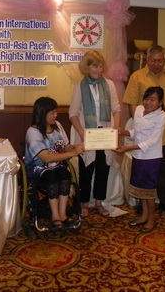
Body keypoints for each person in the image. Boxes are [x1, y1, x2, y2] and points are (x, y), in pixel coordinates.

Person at [123, 45, 165, 215]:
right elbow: (131, 103)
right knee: (144, 171)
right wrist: (142, 123)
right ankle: (142, 205)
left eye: (160, 60)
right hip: (145, 135)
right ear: (147, 59)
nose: (157, 64)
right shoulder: (137, 77)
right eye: (153, 60)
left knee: (164, 170)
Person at [69, 51, 121, 217]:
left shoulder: (110, 85)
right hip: (87, 133)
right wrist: (82, 134)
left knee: (103, 169)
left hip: (105, 134)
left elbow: (116, 109)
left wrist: (117, 128)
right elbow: (73, 114)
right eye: (94, 66)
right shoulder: (79, 86)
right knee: (86, 169)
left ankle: (99, 202)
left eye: (100, 66)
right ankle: (84, 203)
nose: (98, 69)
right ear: (87, 67)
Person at [24, 97, 85, 230]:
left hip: (57, 166)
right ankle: (55, 216)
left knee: (65, 175)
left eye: (55, 112)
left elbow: (65, 146)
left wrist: (76, 147)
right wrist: (72, 153)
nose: (55, 115)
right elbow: (46, 158)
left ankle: (63, 214)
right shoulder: (33, 132)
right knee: (51, 177)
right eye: (52, 113)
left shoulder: (57, 126)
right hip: (38, 170)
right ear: (42, 113)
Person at [115, 86, 165, 233]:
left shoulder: (162, 117)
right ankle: (144, 216)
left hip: (151, 158)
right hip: (138, 156)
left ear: (160, 102)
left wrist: (127, 148)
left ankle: (152, 218)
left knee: (148, 191)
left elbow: (152, 141)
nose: (148, 102)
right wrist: (123, 132)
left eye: (153, 99)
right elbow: (136, 132)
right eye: (146, 98)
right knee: (141, 189)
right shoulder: (138, 110)